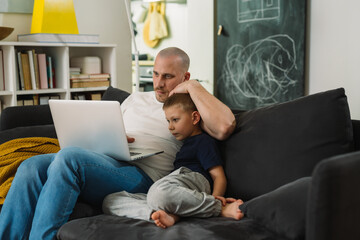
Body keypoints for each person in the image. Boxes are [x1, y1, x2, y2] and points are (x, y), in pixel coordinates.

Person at [0, 47, 236, 240]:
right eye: (155, 74)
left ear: (185, 77)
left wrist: (193, 87)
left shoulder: (187, 108)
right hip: (109, 160)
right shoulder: (135, 99)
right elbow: (108, 125)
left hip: (144, 175)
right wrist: (109, 136)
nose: (159, 83)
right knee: (30, 165)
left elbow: (225, 126)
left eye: (168, 76)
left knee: (69, 158)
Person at [103, 93, 244, 229]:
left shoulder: (203, 141)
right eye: (168, 121)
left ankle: (218, 209)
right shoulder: (185, 144)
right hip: (175, 186)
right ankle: (162, 215)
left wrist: (217, 200)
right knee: (110, 200)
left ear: (195, 117)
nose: (170, 127)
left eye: (175, 120)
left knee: (158, 194)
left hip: (193, 179)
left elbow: (218, 176)